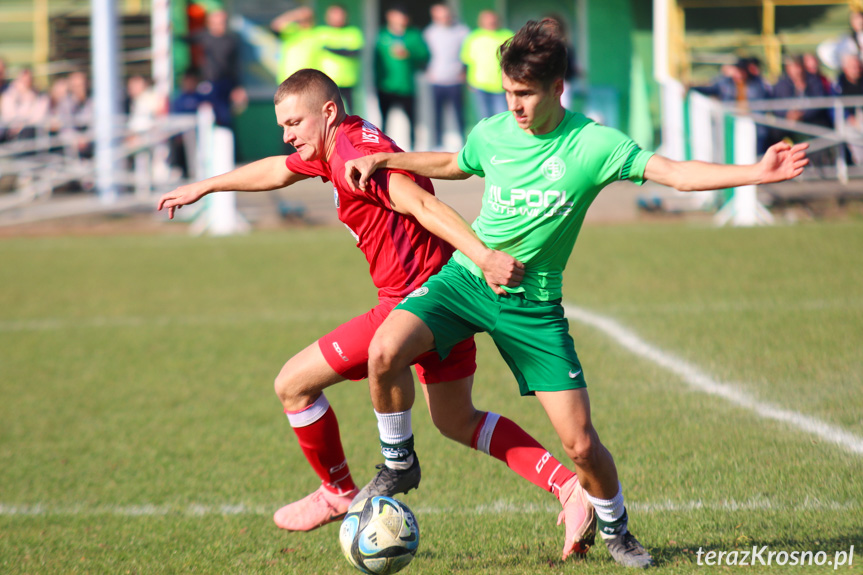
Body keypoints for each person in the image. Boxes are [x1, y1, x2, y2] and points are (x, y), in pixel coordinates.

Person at [344, 19, 809, 568]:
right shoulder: (493, 131)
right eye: (507, 92)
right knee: (385, 350)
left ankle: (616, 530)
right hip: (468, 279)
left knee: (581, 445)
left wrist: (756, 171)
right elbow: (453, 163)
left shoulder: (595, 143)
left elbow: (676, 174)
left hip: (533, 304)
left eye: (524, 94)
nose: (513, 105)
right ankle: (399, 462)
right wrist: (386, 159)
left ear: (557, 88)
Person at [156, 70, 594, 554]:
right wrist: (206, 186)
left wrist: (483, 256)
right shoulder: (333, 144)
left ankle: (345, 488)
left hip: (418, 303)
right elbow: (278, 169)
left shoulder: (352, 155)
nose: (288, 135)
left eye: (294, 123)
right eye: (283, 125)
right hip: (440, 297)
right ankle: (569, 488)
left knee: (293, 385)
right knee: (456, 420)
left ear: (327, 112)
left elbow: (423, 205)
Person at [374, 6, 429, 150]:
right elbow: (375, 62)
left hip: (407, 86)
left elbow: (425, 56)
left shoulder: (414, 35)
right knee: (384, 120)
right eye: (398, 15)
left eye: (404, 16)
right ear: (390, 16)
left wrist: (409, 53)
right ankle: (382, 148)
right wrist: (377, 82)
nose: (402, 19)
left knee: (412, 120)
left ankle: (413, 149)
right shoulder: (381, 35)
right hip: (385, 86)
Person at [186, 8, 247, 129]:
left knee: (225, 119)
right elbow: (185, 39)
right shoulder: (203, 37)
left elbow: (236, 65)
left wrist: (238, 88)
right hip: (208, 84)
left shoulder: (231, 40)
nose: (219, 26)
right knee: (206, 116)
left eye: (222, 22)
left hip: (226, 84)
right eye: (216, 22)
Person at [423, 3, 469, 150]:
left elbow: (468, 53)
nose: (443, 18)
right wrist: (427, 70)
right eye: (439, 16)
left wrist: (464, 71)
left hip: (455, 79)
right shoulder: (429, 32)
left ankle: (464, 144)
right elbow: (424, 54)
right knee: (437, 115)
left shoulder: (462, 31)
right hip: (437, 80)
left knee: (459, 114)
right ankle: (437, 144)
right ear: (434, 17)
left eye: (445, 15)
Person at [460, 11, 512, 119]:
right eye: (487, 19)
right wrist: (467, 81)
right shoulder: (473, 37)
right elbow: (466, 61)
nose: (491, 22)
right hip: (479, 85)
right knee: (484, 119)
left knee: (502, 118)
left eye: (493, 19)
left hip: (502, 86)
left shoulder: (508, 35)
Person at [315, 4, 363, 113]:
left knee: (349, 114)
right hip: (325, 82)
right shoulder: (320, 32)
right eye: (334, 14)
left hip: (347, 82)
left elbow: (353, 52)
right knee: (326, 113)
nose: (337, 18)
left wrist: (328, 48)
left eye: (340, 15)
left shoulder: (353, 32)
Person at [271, 6, 320, 82]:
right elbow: (275, 25)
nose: (304, 20)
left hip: (310, 81)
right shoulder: (291, 31)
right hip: (287, 80)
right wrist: (296, 14)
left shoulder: (318, 34)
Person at [0, 67, 49, 142]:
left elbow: (37, 118)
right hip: (11, 131)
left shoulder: (38, 96)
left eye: (28, 80)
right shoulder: (10, 95)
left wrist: (28, 99)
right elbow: (8, 115)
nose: (26, 82)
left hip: (30, 132)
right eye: (23, 80)